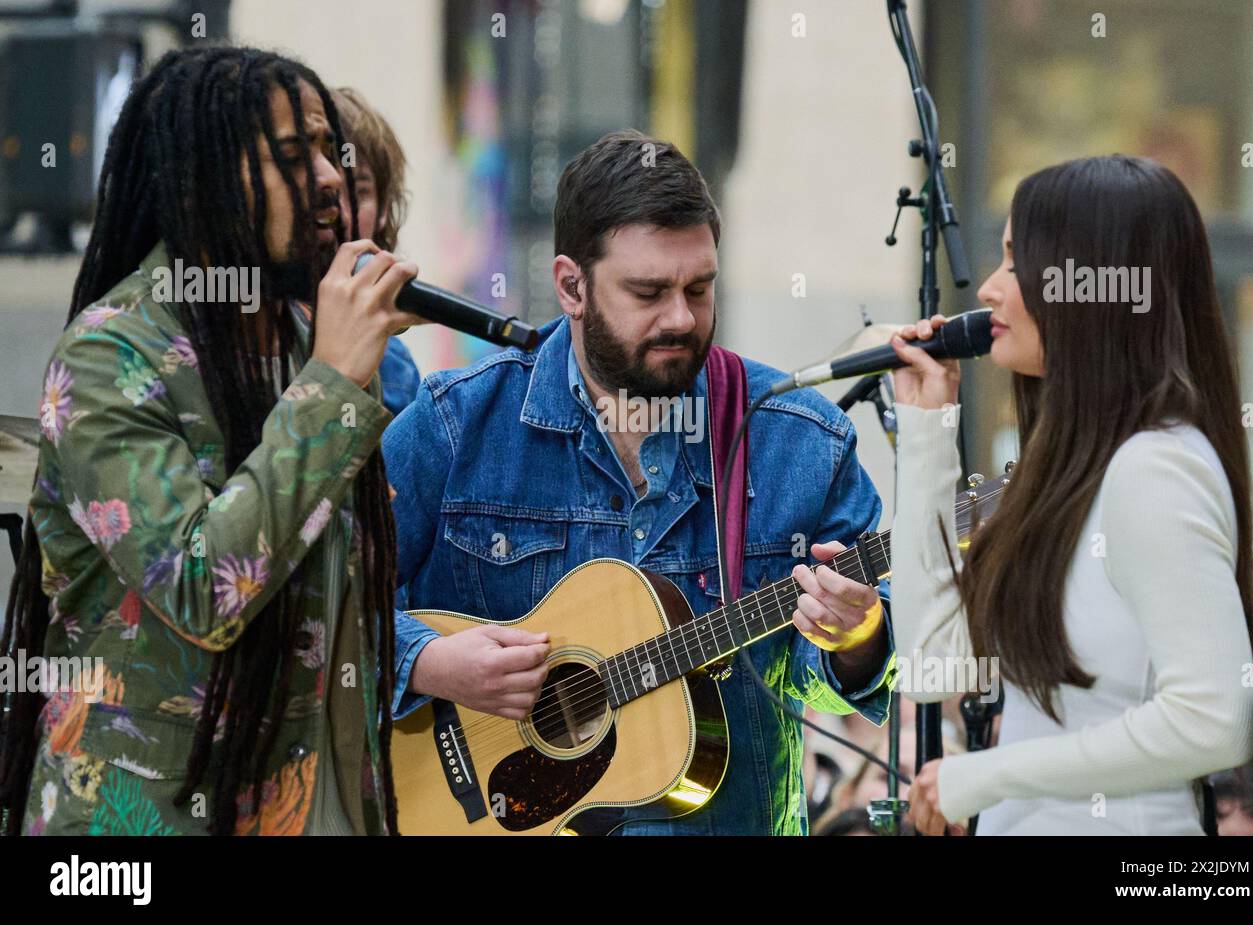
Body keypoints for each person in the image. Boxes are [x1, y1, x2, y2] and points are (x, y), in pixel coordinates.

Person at [382, 130, 896, 834]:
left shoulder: (798, 438)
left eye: (699, 288)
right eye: (649, 292)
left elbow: (837, 671)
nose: (682, 318)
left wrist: (858, 631)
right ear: (571, 285)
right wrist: (430, 661)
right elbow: (321, 619)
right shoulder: (454, 425)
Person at [0, 46, 424, 835]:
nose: (332, 177)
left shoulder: (311, 341)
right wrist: (332, 384)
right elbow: (204, 588)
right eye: (294, 155)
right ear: (207, 177)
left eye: (330, 150)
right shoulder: (110, 357)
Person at [888, 155, 1253, 835]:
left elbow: (1215, 721)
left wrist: (989, 773)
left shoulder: (1154, 468)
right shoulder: (1071, 470)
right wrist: (927, 432)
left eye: (1016, 262)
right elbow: (929, 663)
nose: (988, 288)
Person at [330, 87, 422, 417]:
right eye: (324, 191)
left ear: (384, 210)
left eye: (359, 191)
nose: (339, 212)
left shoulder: (396, 369)